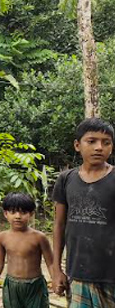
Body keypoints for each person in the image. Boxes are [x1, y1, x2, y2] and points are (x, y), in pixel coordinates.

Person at [52, 118, 115, 306]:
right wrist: (56, 269)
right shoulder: (65, 179)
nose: (99, 147)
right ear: (77, 145)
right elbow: (59, 225)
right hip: (77, 273)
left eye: (106, 142)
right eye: (92, 141)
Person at [0, 193, 53, 308]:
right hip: (12, 286)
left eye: (23, 212)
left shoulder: (39, 237)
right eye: (13, 212)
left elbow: (50, 263)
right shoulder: (2, 237)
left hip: (35, 286)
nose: (17, 216)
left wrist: (55, 281)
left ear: (31, 214)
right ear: (5, 214)